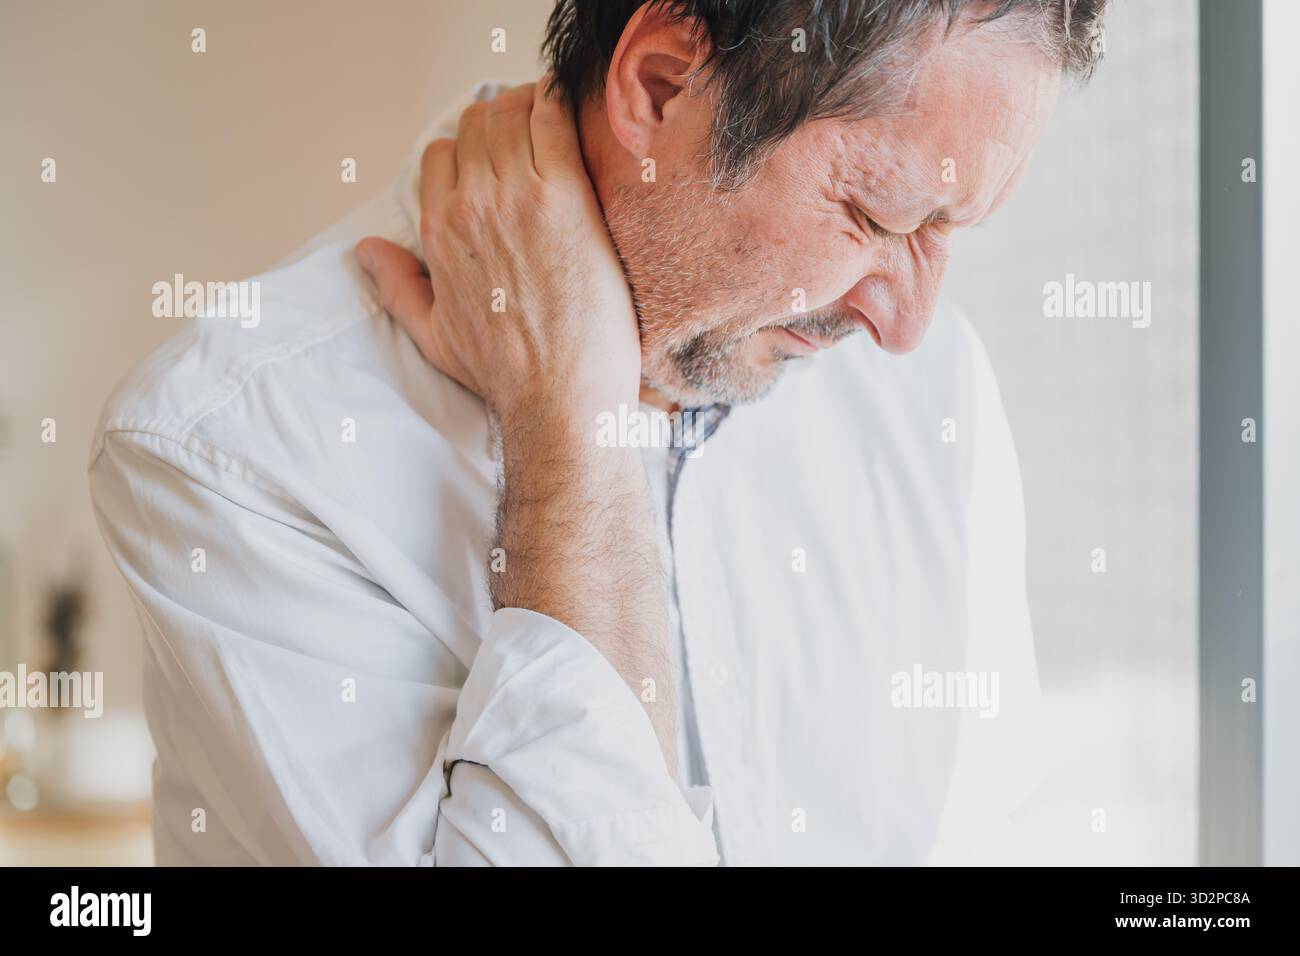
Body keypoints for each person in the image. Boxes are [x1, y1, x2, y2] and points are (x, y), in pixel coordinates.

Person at [89, 0, 1106, 865]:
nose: (905, 325)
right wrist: (570, 435)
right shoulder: (229, 451)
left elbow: (993, 835)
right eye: (879, 217)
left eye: (949, 231)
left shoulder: (934, 388)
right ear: (660, 86)